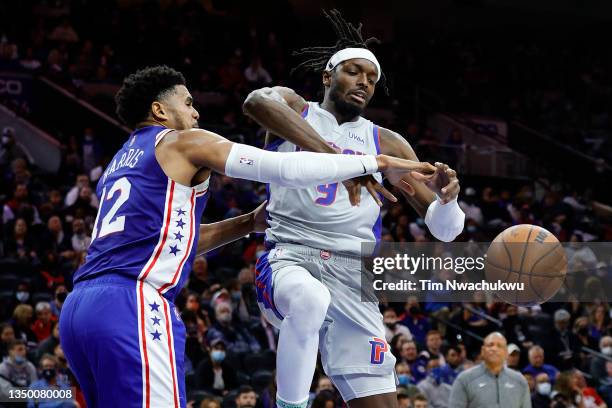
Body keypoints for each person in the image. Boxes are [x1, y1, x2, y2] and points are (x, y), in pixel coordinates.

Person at [58, 65, 433, 408]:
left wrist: (246, 223)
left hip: (79, 310)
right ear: (160, 111)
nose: (196, 113)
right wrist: (373, 162)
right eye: (188, 104)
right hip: (133, 304)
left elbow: (170, 240)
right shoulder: (182, 141)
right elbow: (281, 167)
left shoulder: (120, 161)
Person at [243, 10, 464, 408]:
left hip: (353, 274)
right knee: (308, 300)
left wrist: (449, 203)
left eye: (372, 78)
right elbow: (257, 101)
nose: (364, 81)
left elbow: (444, 230)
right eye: (353, 71)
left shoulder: (387, 143)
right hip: (290, 258)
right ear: (327, 76)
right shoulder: (296, 108)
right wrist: (343, 161)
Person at [449, 332, 531, 408]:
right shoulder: (464, 379)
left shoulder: (520, 381)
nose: (494, 349)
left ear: (506, 353)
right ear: (482, 351)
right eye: (490, 345)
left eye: (499, 346)